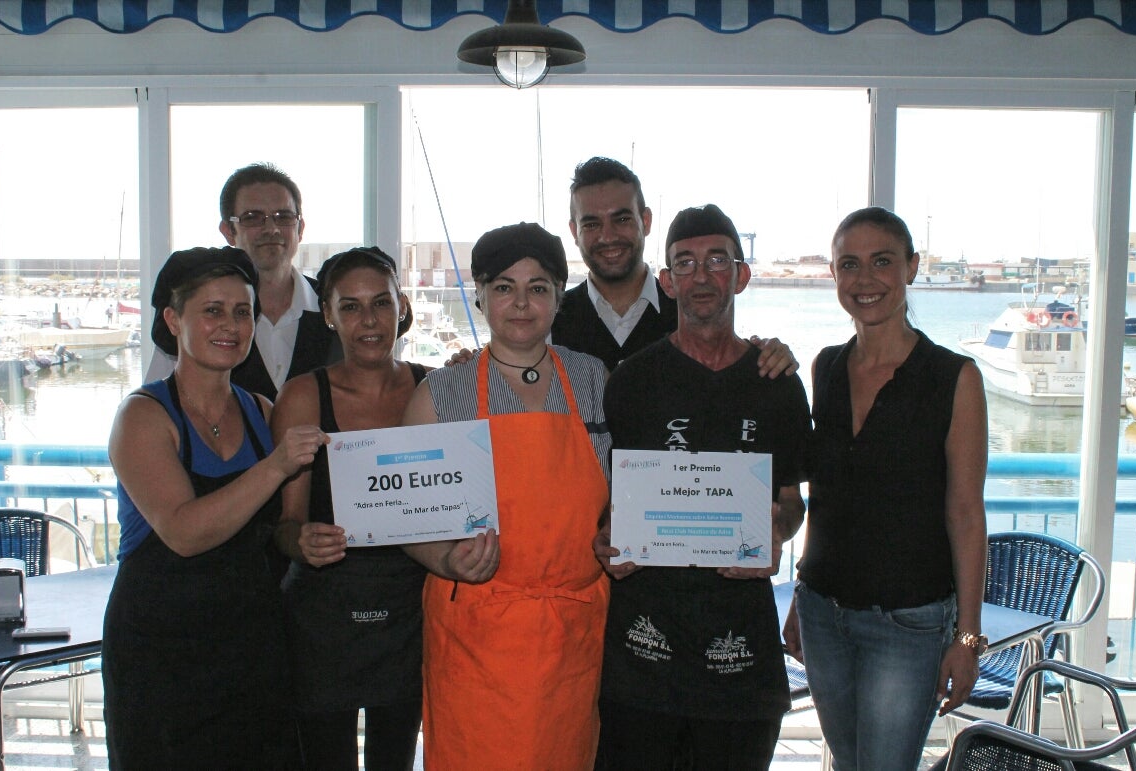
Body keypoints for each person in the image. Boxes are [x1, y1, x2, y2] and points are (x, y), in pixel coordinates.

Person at [594, 204, 811, 770]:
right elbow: (607, 501)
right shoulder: (632, 381)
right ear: (667, 282)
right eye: (685, 263)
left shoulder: (778, 384)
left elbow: (792, 502)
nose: (701, 276)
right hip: (642, 652)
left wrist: (777, 532)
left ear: (741, 274)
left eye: (717, 260)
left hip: (740, 656)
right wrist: (606, 539)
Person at [102, 246, 326, 769]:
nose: (230, 325)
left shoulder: (261, 412)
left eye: (242, 311)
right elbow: (183, 533)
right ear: (173, 320)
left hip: (252, 643)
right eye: (212, 310)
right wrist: (275, 466)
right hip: (159, 650)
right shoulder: (142, 416)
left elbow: (279, 525)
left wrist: (306, 539)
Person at [782, 206, 988, 771]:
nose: (864, 279)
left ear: (911, 268)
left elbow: (966, 514)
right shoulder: (826, 368)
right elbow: (827, 500)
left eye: (882, 262)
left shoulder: (954, 378)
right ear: (833, 274)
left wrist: (967, 637)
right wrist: (801, 594)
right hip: (822, 614)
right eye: (849, 264)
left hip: (909, 624)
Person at [401, 222, 611, 770]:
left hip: (570, 632)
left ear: (559, 297)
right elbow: (406, 520)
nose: (520, 303)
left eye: (537, 288)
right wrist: (446, 559)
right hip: (475, 635)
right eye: (503, 287)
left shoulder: (594, 380)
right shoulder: (440, 393)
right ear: (480, 295)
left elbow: (623, 493)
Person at [271, 246, 428, 770]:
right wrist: (302, 542)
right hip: (324, 613)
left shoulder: (435, 387)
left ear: (401, 306)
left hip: (409, 608)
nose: (369, 321)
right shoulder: (302, 396)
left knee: (395, 759)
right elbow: (285, 524)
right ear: (328, 315)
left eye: (381, 303)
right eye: (351, 306)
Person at [555, 155, 798, 377]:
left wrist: (770, 356)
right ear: (574, 231)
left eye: (622, 219)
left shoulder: (693, 309)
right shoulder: (549, 320)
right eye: (591, 224)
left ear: (646, 221)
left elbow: (731, 360)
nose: (608, 236)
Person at [145, 163, 339, 398]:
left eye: (284, 217)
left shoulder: (338, 308)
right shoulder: (196, 318)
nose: (271, 229)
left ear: (300, 228)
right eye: (253, 218)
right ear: (228, 231)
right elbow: (156, 402)